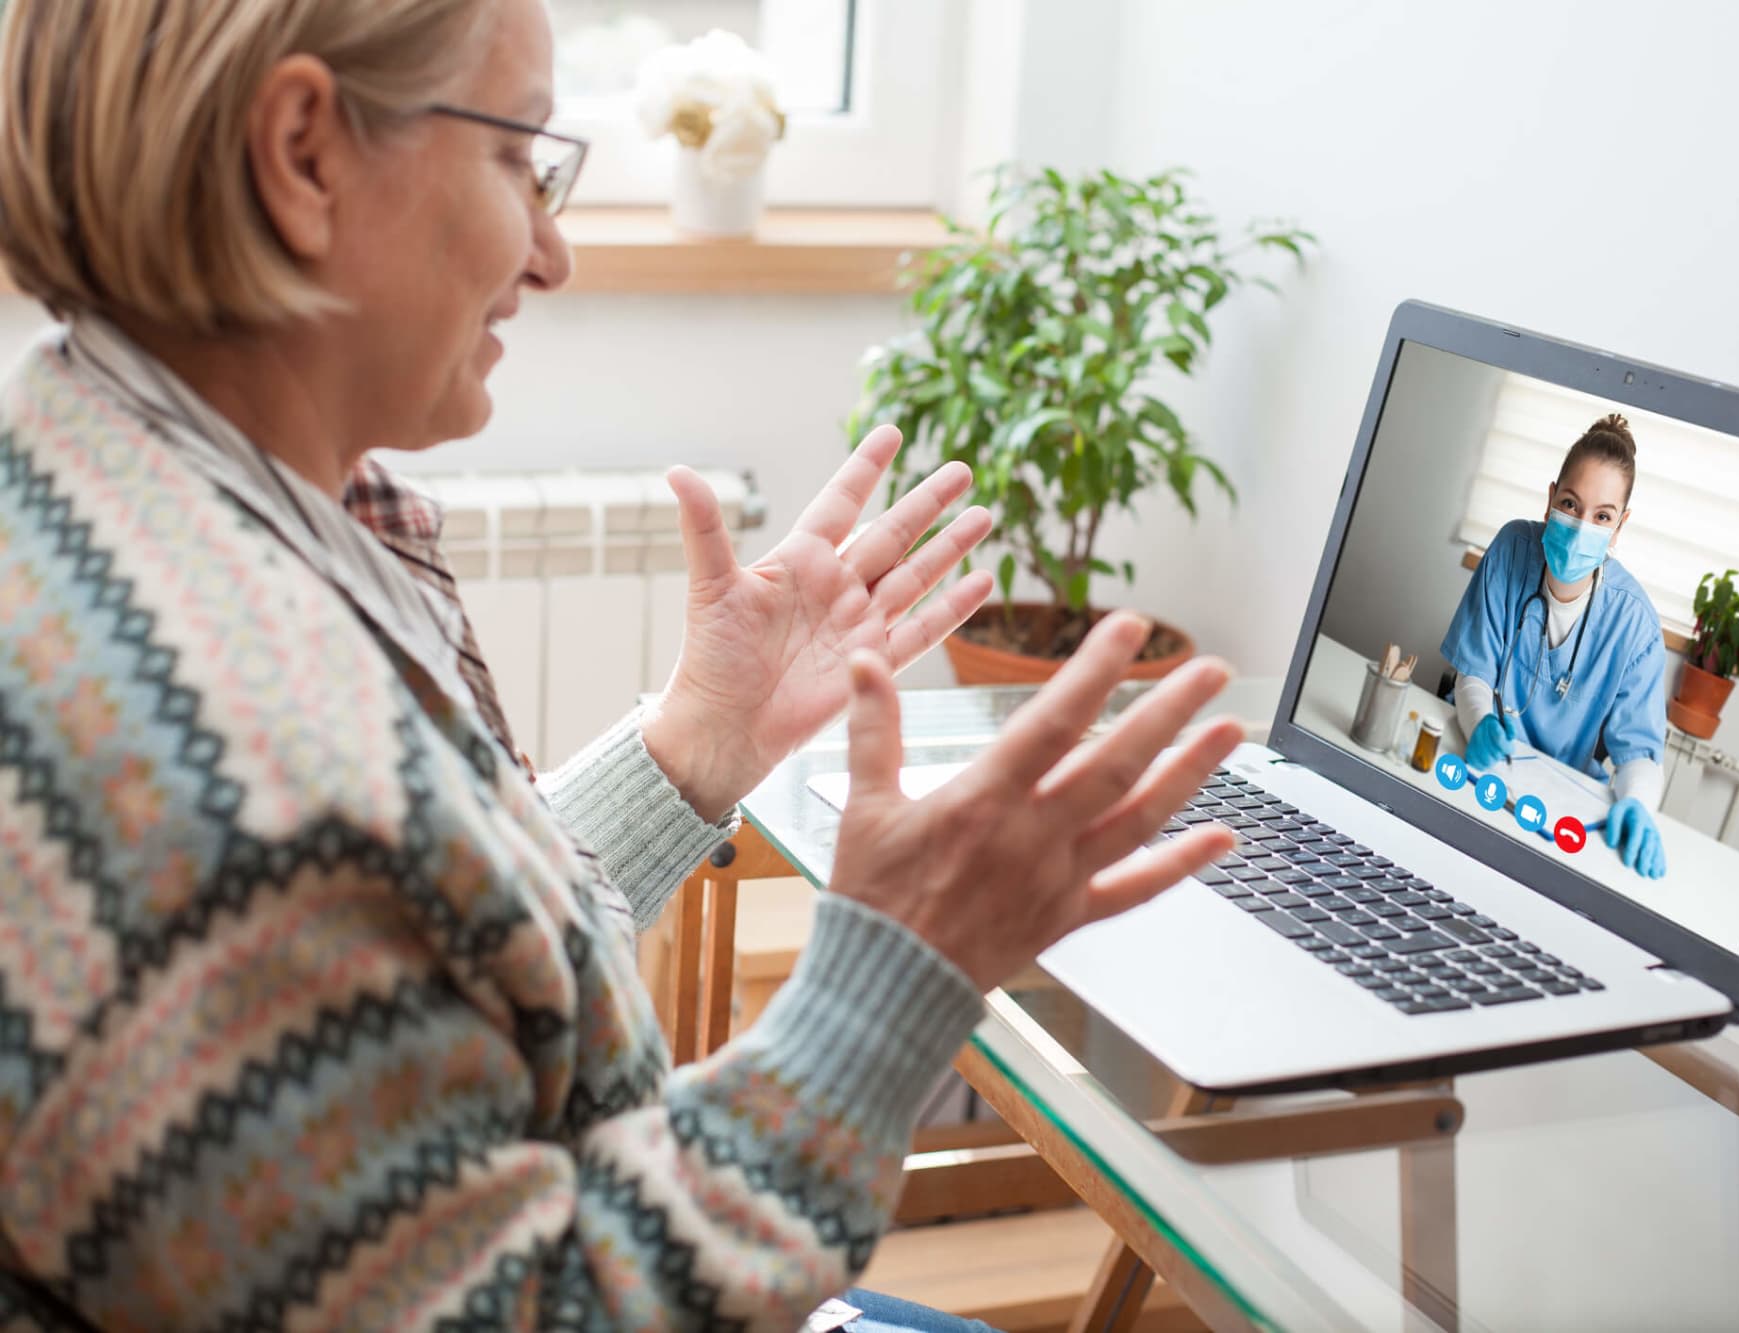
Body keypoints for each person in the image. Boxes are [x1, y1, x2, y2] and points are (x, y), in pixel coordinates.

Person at [0, 2, 1245, 1329]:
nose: (554, 253)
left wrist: (695, 747)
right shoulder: (232, 774)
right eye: (517, 158)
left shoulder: (100, 450)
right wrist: (898, 971)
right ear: (303, 152)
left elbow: (412, 964)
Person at [1439, 413, 1669, 878]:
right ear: (1550, 500)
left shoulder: (1635, 626)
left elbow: (1638, 754)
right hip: (1477, 768)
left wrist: (1640, 804)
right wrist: (1480, 721)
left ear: (1619, 527)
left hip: (1552, 807)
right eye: (1570, 503)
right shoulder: (1510, 550)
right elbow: (1474, 674)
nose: (1582, 526)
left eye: (1602, 516)